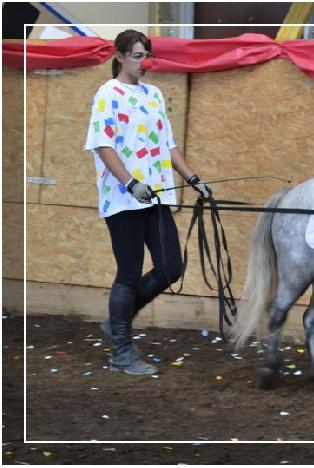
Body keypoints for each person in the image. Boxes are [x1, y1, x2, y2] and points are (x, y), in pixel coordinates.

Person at [84, 30, 211, 375]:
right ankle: (121, 353)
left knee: (171, 267)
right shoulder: (107, 95)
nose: (144, 63)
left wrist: (193, 179)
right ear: (120, 56)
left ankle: (117, 321)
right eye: (138, 56)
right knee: (128, 273)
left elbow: (168, 145)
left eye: (146, 56)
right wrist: (130, 182)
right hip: (124, 199)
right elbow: (103, 145)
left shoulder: (153, 94)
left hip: (156, 195)